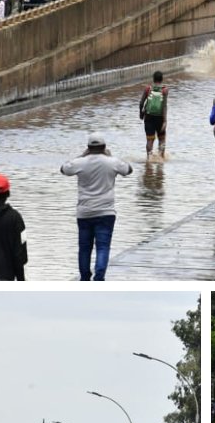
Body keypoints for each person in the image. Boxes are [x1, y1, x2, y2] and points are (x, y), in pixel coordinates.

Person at [60, 134, 133, 282]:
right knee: (103, 247)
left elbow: (63, 169)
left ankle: (85, 277)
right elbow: (129, 169)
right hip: (106, 212)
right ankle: (99, 277)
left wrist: (82, 156)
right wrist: (111, 157)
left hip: (84, 212)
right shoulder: (112, 162)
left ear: (88, 148)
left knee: (84, 248)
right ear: (104, 147)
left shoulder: (80, 162)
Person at [138, 70, 168, 159]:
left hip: (149, 117)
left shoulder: (148, 89)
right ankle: (161, 159)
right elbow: (164, 105)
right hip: (160, 118)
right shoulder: (165, 90)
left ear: (153, 79)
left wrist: (141, 113)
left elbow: (141, 103)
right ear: (162, 79)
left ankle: (149, 158)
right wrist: (165, 121)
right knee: (161, 139)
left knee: (149, 140)